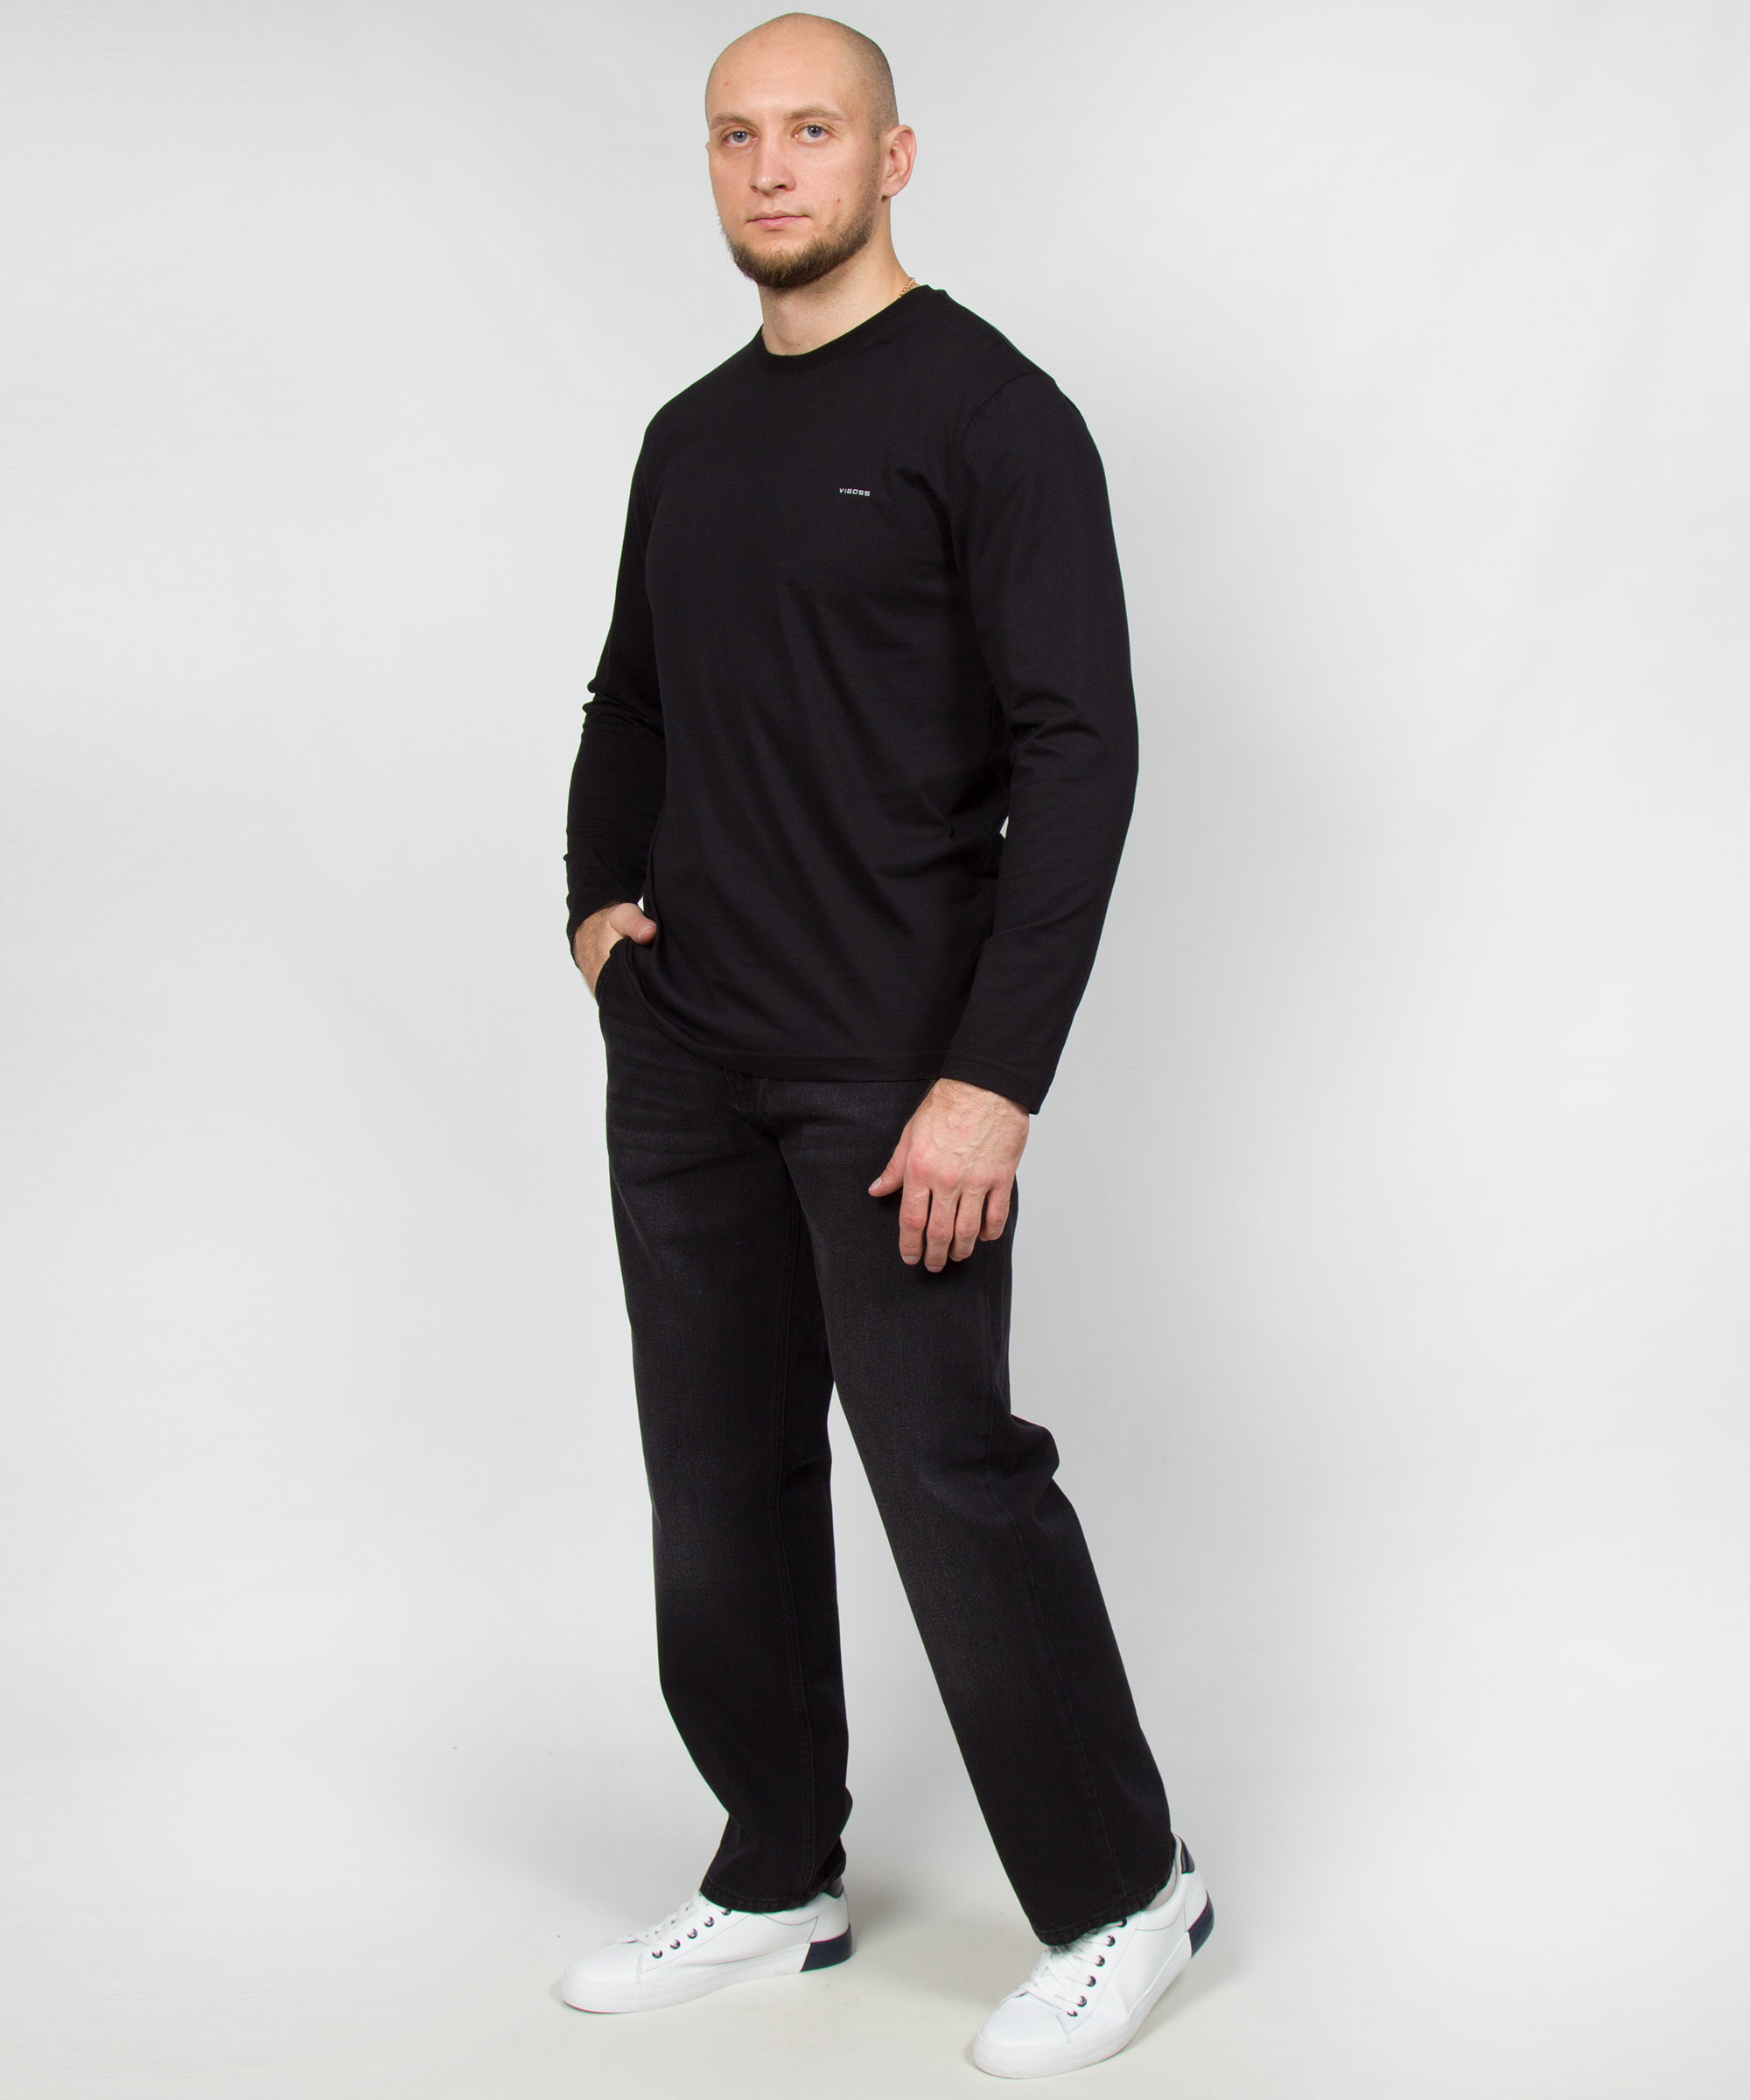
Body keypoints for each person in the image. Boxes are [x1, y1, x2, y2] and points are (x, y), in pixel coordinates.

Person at [556, 12, 1211, 2079]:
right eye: (736, 137)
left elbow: (1082, 752)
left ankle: (1126, 1893)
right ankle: (776, 1872)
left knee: (946, 1473)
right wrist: (597, 913)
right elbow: (632, 697)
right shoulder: (687, 435)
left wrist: (991, 1079)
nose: (770, 169)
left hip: (894, 1066)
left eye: (812, 132)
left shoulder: (992, 417)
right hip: (687, 1048)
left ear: (893, 158)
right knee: (714, 1473)